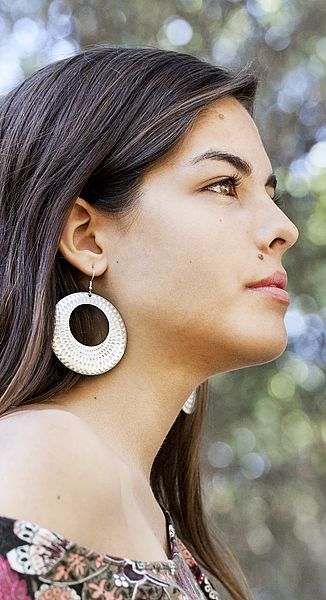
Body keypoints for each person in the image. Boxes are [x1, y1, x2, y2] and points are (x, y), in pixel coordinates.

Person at [0, 46, 299, 600]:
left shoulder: (155, 517)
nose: (283, 228)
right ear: (88, 237)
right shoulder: (43, 454)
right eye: (223, 185)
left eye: (270, 193)